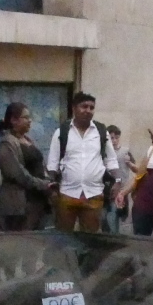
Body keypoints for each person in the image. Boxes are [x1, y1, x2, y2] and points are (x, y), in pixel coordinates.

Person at [46, 92, 120, 232]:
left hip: (94, 194)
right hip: (67, 194)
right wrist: (52, 188)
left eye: (91, 107)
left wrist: (118, 181)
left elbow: (111, 160)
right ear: (74, 108)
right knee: (63, 239)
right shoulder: (62, 132)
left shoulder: (101, 132)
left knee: (90, 241)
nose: (88, 110)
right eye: (84, 106)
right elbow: (52, 163)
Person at [0, 102, 52, 231]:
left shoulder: (27, 140)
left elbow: (40, 166)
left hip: (38, 202)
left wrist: (48, 181)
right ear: (14, 120)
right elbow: (18, 174)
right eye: (25, 117)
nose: (30, 121)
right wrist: (43, 185)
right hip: (20, 205)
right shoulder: (7, 143)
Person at [103, 125, 137, 232]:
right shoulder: (104, 152)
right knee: (108, 216)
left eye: (116, 138)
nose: (114, 141)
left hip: (122, 189)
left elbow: (135, 166)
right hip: (107, 189)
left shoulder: (125, 151)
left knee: (116, 215)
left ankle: (114, 235)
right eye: (111, 138)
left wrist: (129, 162)